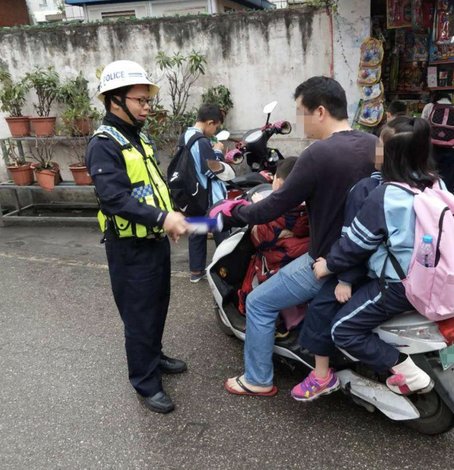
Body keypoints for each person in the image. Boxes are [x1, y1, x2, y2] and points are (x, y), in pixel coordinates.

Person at [219, 76, 377, 396]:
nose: (298, 121)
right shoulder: (374, 144)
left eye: (300, 113)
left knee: (259, 302)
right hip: (370, 257)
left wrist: (234, 212)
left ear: (319, 112)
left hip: (325, 260)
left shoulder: (318, 153)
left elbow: (275, 205)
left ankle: (257, 380)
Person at [304, 117, 439, 399]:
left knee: (341, 329)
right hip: (432, 276)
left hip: (398, 283)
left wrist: (329, 267)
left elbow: (355, 244)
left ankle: (406, 372)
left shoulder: (382, 194)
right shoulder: (435, 184)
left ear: (389, 155)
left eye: (379, 146)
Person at [85, 60, 190, 414]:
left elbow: (152, 185)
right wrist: (163, 218)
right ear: (115, 100)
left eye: (148, 101)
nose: (147, 107)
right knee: (139, 314)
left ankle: (154, 355)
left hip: (154, 240)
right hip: (129, 248)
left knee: (157, 305)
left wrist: (167, 219)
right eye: (141, 100)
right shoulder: (103, 143)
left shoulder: (139, 137)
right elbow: (114, 198)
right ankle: (145, 382)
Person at [238, 157, 310, 329]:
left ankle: (268, 329)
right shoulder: (311, 207)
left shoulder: (274, 214)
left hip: (276, 266)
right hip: (303, 264)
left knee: (254, 298)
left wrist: (259, 209)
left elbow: (259, 239)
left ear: (281, 181)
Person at [185, 104, 229, 283]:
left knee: (197, 230)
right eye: (216, 127)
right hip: (208, 197)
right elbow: (211, 171)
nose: (215, 131)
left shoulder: (186, 136)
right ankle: (227, 269)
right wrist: (218, 152)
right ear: (209, 122)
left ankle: (196, 271)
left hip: (192, 194)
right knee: (222, 231)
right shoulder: (201, 141)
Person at [421, 92, 454, 191]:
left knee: (430, 177)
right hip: (451, 149)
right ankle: (446, 203)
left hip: (432, 148)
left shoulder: (429, 107)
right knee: (448, 177)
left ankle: (430, 203)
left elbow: (422, 128)